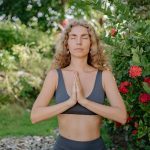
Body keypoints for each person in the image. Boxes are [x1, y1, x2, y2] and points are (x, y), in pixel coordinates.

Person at [30, 19, 127, 150]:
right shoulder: (55, 76)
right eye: (73, 37)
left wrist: (84, 101)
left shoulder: (105, 76)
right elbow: (35, 116)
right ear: (67, 44)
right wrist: (69, 102)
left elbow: (121, 116)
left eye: (84, 37)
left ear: (91, 43)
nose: (79, 42)